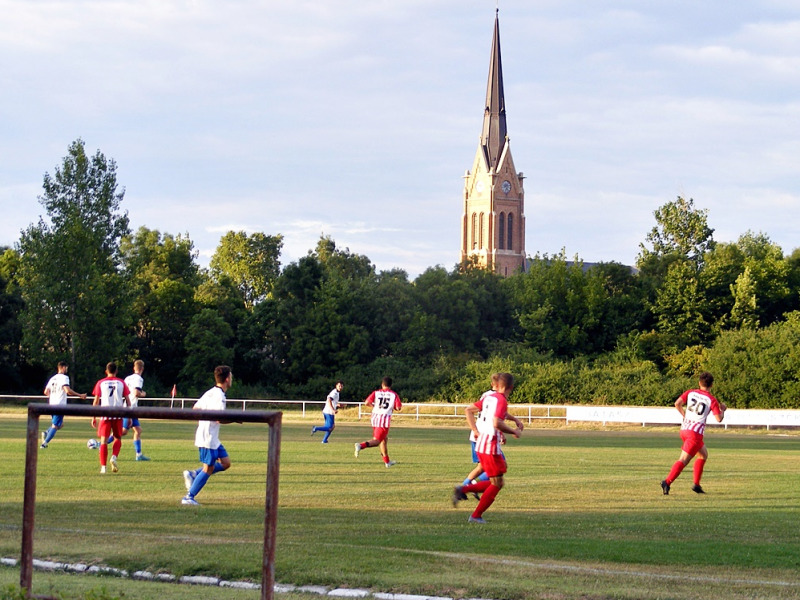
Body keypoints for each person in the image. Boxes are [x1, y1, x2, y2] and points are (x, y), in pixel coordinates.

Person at [452, 372, 523, 524]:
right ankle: (475, 515)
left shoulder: (489, 398)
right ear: (511, 387)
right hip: (490, 446)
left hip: (482, 443)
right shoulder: (502, 400)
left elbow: (468, 410)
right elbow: (497, 422)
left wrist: (476, 431)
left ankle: (463, 489)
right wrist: (514, 431)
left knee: (498, 479)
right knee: (497, 483)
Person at [661, 372, 726, 495]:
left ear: (699, 383)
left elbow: (677, 403)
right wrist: (722, 410)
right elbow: (719, 418)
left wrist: (685, 415)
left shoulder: (690, 392)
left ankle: (696, 485)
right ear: (711, 385)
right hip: (695, 434)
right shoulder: (711, 399)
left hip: (685, 429)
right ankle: (667, 482)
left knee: (703, 455)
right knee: (683, 460)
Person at [182, 365, 234, 506]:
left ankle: (193, 474)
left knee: (225, 463)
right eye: (231, 377)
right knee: (208, 469)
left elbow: (195, 409)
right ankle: (188, 497)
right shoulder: (219, 397)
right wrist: (234, 418)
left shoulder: (210, 392)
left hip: (212, 437)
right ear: (227, 379)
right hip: (208, 437)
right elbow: (218, 418)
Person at [91, 362, 131, 474]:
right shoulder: (121, 382)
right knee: (118, 438)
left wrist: (93, 417)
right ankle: (113, 457)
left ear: (106, 371)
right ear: (116, 371)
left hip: (105, 414)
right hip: (118, 415)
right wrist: (130, 416)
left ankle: (103, 467)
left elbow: (96, 401)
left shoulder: (100, 383)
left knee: (103, 441)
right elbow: (128, 401)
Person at [354, 376, 402, 468]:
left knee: (384, 439)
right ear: (391, 385)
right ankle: (360, 445)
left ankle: (387, 462)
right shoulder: (394, 395)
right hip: (384, 420)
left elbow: (367, 402)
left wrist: (375, 406)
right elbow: (398, 407)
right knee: (377, 441)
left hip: (375, 418)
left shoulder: (376, 393)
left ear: (382, 384)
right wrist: (392, 408)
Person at [40, 361, 86, 448]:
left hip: (51, 405)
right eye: (66, 368)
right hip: (59, 405)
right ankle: (44, 444)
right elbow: (67, 390)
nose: (67, 370)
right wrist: (80, 395)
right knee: (56, 425)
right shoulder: (64, 378)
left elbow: (46, 392)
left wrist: (53, 396)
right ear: (63, 367)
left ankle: (46, 432)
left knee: (60, 425)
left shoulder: (52, 378)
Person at [121, 359, 150, 461]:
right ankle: (102, 442)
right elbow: (136, 392)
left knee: (138, 430)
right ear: (142, 369)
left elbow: (123, 392)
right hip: (130, 407)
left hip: (128, 406)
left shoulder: (128, 378)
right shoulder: (138, 379)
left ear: (134, 368)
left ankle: (139, 454)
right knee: (123, 431)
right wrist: (143, 394)